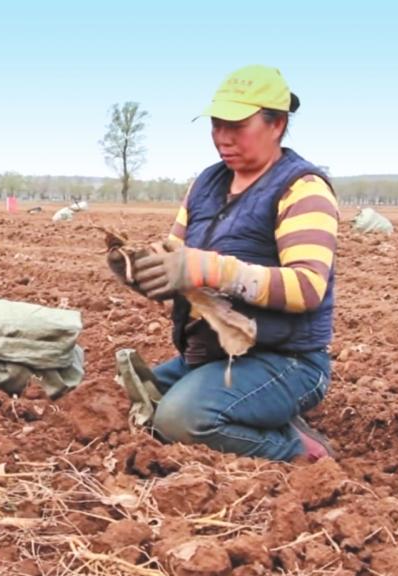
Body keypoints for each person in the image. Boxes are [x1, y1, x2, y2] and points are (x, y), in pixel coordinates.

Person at [114, 65, 339, 462]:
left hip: (285, 360)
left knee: (180, 419)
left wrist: (212, 270)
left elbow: (307, 288)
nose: (222, 137)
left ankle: (301, 451)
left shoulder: (303, 189)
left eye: (236, 126)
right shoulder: (206, 184)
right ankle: (252, 414)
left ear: (277, 124)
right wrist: (142, 269)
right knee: (127, 401)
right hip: (212, 357)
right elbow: (176, 255)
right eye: (216, 125)